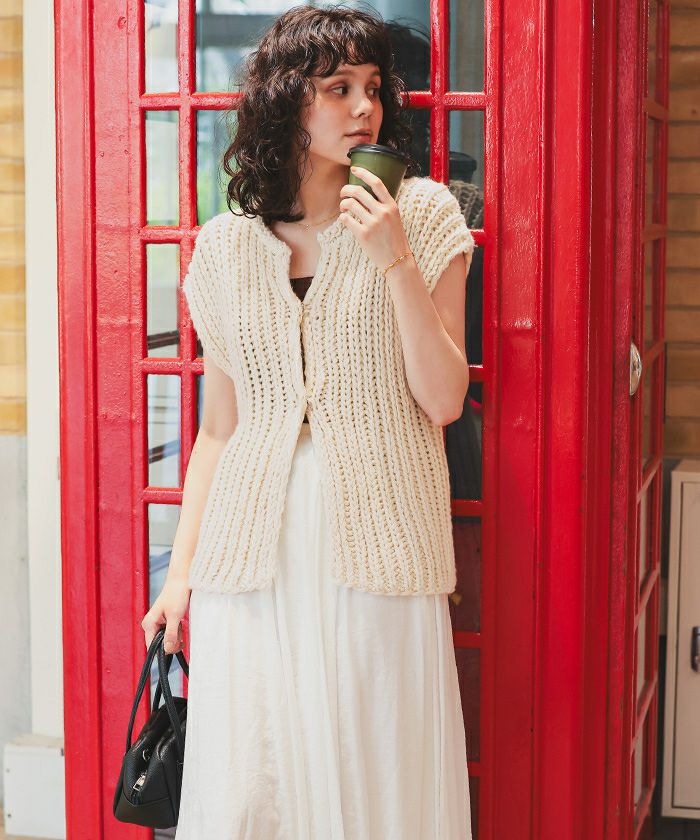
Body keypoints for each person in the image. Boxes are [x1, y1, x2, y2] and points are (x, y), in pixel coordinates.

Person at [141, 5, 475, 838]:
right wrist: (180, 576)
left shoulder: (423, 214)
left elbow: (443, 399)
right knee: (257, 784)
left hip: (379, 550)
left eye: (374, 88)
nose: (365, 108)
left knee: (377, 773)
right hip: (251, 561)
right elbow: (219, 428)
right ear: (288, 99)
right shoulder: (225, 248)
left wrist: (394, 257)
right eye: (338, 89)